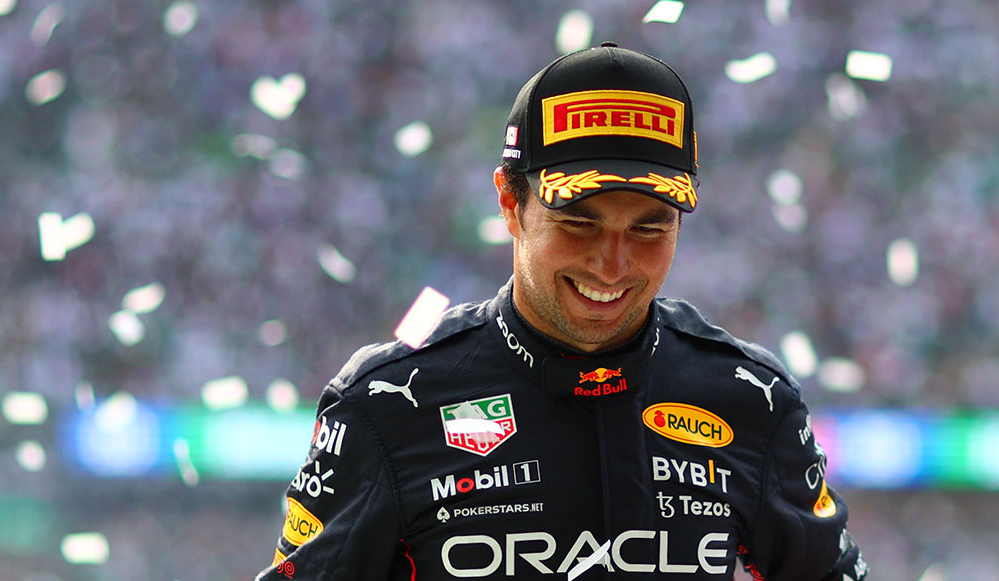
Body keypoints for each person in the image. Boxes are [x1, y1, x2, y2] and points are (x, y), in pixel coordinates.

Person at [256, 42, 868, 580]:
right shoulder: (386, 403)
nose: (613, 264)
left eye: (649, 228)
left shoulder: (752, 399)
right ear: (509, 202)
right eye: (579, 222)